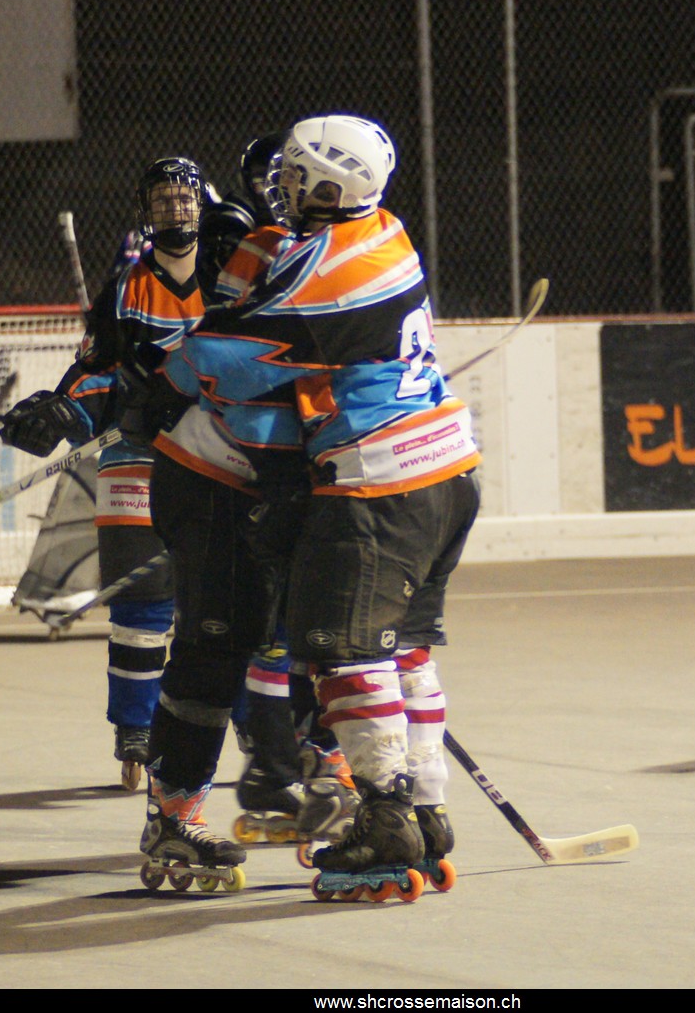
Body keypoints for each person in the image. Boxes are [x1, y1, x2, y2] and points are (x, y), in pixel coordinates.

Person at [178, 114, 480, 887]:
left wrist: (143, 388)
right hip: (445, 474)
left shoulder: (331, 270)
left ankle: (383, 824)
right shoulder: (382, 231)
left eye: (291, 172)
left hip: (379, 483)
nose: (278, 183)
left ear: (323, 184)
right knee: (403, 651)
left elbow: (228, 360)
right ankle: (426, 811)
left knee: (341, 654)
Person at [0, 159, 195, 790]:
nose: (175, 210)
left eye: (184, 198)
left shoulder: (232, 278)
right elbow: (91, 373)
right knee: (143, 607)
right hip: (136, 459)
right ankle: (136, 729)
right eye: (162, 200)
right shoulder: (126, 289)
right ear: (146, 212)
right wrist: (61, 410)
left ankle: (262, 738)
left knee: (229, 608)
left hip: (216, 460)